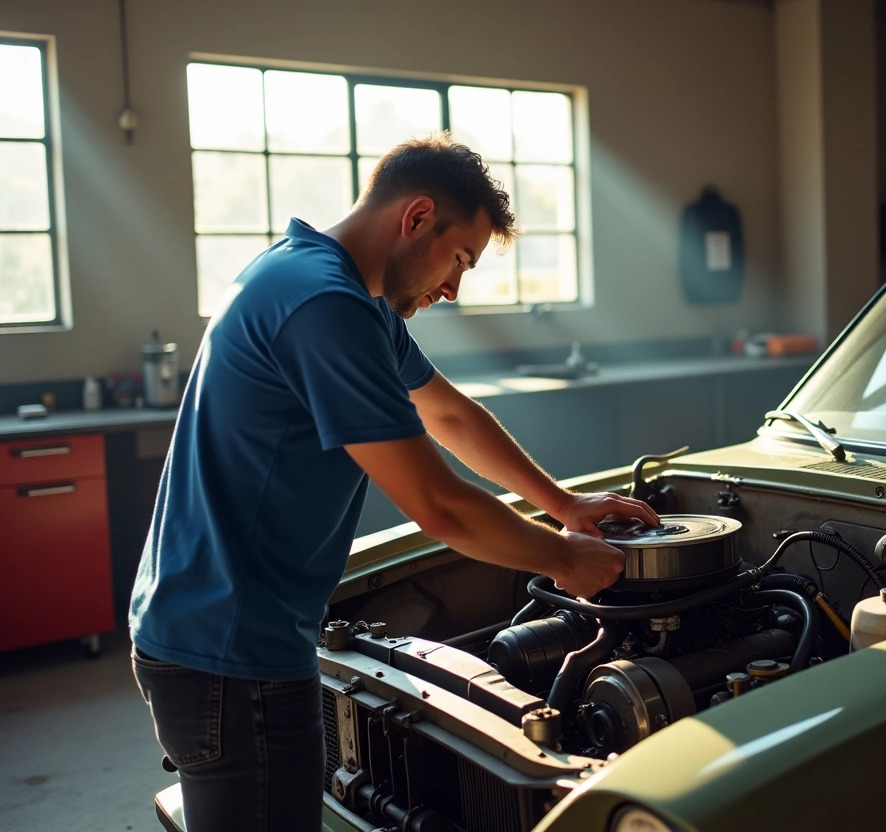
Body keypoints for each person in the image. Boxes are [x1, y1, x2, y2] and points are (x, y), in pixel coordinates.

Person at [128, 132, 659, 831]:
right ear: (415, 218)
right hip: (233, 653)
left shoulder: (340, 292)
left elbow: (450, 415)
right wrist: (565, 559)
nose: (452, 287)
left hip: (220, 630)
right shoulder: (324, 304)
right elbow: (437, 505)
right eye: (459, 258)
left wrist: (565, 506)